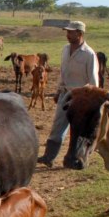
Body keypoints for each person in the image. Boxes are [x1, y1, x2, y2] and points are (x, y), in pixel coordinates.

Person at [37, 20, 99, 167]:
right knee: (58, 125)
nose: (68, 35)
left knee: (78, 130)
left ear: (80, 33)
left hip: (81, 98)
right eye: (67, 32)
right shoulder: (65, 50)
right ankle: (48, 157)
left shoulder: (89, 54)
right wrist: (58, 91)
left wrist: (90, 101)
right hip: (65, 94)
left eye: (71, 32)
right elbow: (63, 73)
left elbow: (94, 81)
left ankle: (75, 158)